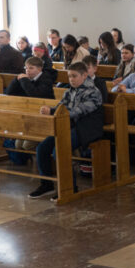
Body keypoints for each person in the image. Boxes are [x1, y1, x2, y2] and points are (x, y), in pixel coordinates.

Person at [30, 62, 103, 200]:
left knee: (60, 149)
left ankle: (70, 187)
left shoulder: (93, 92)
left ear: (84, 75)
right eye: (69, 76)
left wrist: (52, 111)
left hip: (87, 129)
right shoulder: (69, 91)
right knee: (42, 148)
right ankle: (46, 184)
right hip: (69, 127)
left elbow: (78, 111)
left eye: (74, 76)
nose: (71, 79)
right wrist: (50, 110)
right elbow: (60, 107)